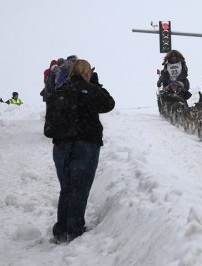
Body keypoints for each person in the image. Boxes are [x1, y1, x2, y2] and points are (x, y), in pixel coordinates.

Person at [51, 59, 115, 243]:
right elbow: (109, 104)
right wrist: (95, 85)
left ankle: (61, 230)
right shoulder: (91, 90)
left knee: (67, 188)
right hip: (86, 143)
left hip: (61, 146)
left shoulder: (60, 91)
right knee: (79, 189)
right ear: (87, 72)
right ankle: (74, 230)